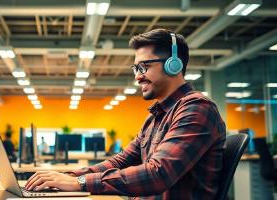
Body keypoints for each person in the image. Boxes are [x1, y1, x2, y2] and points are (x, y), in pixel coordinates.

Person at [25, 28, 226, 199]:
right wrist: (67, 176)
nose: (138, 76)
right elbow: (119, 161)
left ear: (173, 65)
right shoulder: (156, 117)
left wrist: (79, 182)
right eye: (136, 68)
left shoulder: (197, 108)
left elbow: (159, 173)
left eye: (144, 67)